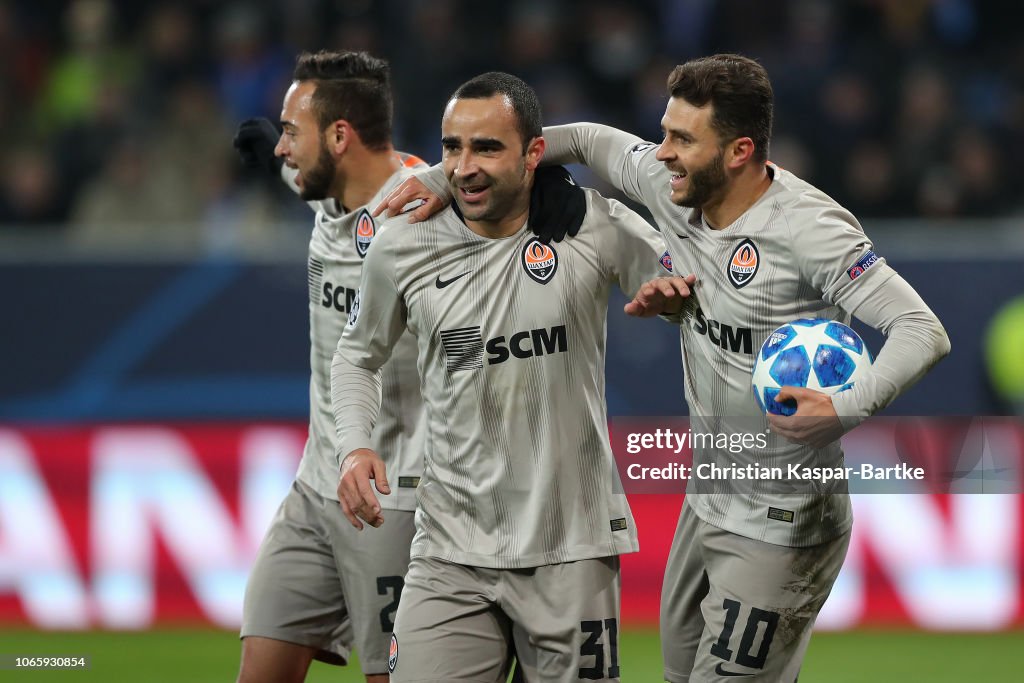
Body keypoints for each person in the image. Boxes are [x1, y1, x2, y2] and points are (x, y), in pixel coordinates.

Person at [376, 54, 951, 682]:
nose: (663, 153)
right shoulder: (671, 186)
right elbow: (586, 139)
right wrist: (444, 177)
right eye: (664, 131)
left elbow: (921, 329)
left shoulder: (812, 231)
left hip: (786, 517)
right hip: (708, 502)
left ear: (738, 151)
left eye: (682, 139)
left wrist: (842, 407)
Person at [232, 52, 586, 683]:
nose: (284, 148)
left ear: (340, 137)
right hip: (317, 484)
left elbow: (496, 185)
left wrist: (551, 198)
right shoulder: (327, 192)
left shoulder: (426, 212)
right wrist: (275, 156)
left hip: (397, 499)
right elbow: (299, 175)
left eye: (292, 132)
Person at [330, 71, 671, 683]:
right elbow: (357, 356)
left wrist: (671, 291)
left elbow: (687, 283)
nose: (464, 167)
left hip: (573, 549)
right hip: (448, 552)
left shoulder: (591, 225)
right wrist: (354, 446)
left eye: (487, 147)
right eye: (451, 148)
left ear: (534, 152)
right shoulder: (401, 245)